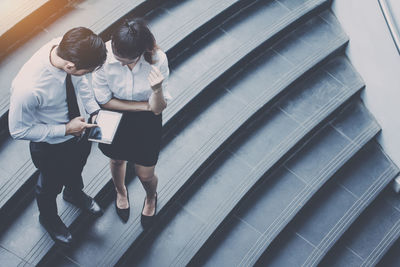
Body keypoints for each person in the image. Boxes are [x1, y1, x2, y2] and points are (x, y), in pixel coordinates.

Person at [9, 27, 107, 246]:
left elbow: (80, 82)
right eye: (88, 70)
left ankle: (73, 193)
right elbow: (18, 130)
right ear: (70, 66)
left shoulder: (64, 48)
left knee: (77, 167)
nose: (88, 75)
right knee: (49, 187)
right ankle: (49, 218)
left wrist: (93, 110)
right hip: (52, 146)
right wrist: (65, 130)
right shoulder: (28, 87)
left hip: (79, 131)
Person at [92, 18, 171, 227]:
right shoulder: (103, 56)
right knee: (116, 160)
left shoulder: (157, 59)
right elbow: (105, 101)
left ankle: (151, 196)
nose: (121, 64)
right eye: (118, 58)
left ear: (142, 50)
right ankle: (120, 191)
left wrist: (157, 90)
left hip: (146, 120)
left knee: (145, 174)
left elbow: (158, 106)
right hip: (114, 114)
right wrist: (144, 106)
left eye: (126, 61)